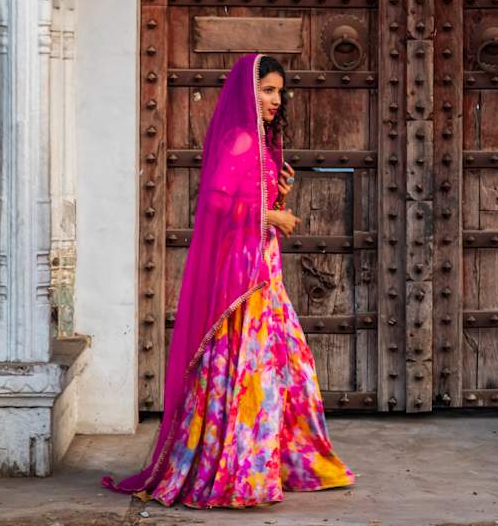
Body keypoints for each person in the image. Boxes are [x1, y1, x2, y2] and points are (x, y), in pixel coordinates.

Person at [102, 53, 355, 507]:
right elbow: (217, 205)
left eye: (280, 91)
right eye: (268, 90)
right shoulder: (240, 139)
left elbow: (244, 196)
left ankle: (273, 463)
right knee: (249, 371)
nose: (276, 99)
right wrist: (271, 212)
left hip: (264, 272)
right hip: (242, 277)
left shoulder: (260, 144)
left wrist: (278, 191)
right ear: (247, 90)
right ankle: (240, 471)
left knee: (283, 367)